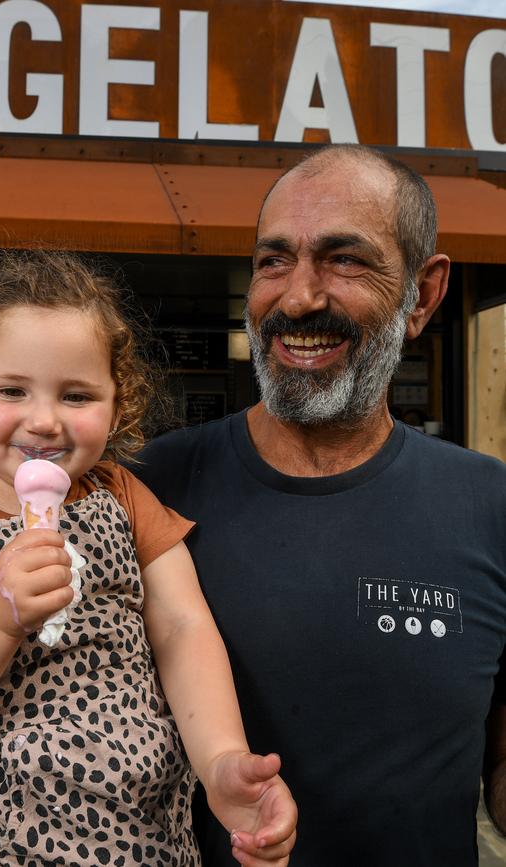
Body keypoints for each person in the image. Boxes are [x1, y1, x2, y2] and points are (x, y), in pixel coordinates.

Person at [0, 251, 297, 867]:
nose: (43, 421)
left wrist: (221, 758)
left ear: (116, 407)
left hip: (152, 835)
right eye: (11, 390)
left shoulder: (121, 496)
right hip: (12, 843)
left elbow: (182, 627)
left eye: (77, 395)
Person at [132, 144, 506, 867]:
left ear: (422, 296)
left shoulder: (490, 502)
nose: (297, 297)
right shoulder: (148, 487)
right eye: (274, 260)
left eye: (344, 259)